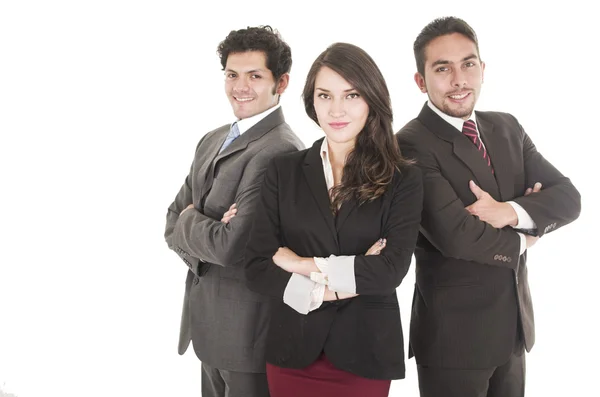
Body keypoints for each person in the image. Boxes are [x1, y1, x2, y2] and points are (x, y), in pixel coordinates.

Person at [396, 16, 581, 397]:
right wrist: (522, 241)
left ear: (482, 69)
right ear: (420, 81)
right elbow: (456, 236)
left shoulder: (507, 128)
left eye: (468, 64)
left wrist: (509, 211)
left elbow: (568, 197)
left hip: (512, 331)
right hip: (454, 340)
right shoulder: (410, 144)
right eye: (442, 68)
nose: (459, 79)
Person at [242, 42, 423, 397]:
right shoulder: (284, 171)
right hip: (291, 351)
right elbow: (258, 266)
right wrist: (337, 286)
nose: (336, 109)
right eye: (325, 95)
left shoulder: (402, 178)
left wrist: (299, 263)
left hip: (364, 353)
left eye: (351, 95)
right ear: (312, 101)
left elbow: (390, 271)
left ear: (371, 99)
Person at [164, 25, 304, 397]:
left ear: (282, 82)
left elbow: (232, 245)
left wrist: (191, 220)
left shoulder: (280, 151)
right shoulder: (211, 139)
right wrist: (198, 223)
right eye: (232, 75)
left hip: (248, 335)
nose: (240, 86)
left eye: (255, 76)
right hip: (207, 325)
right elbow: (169, 222)